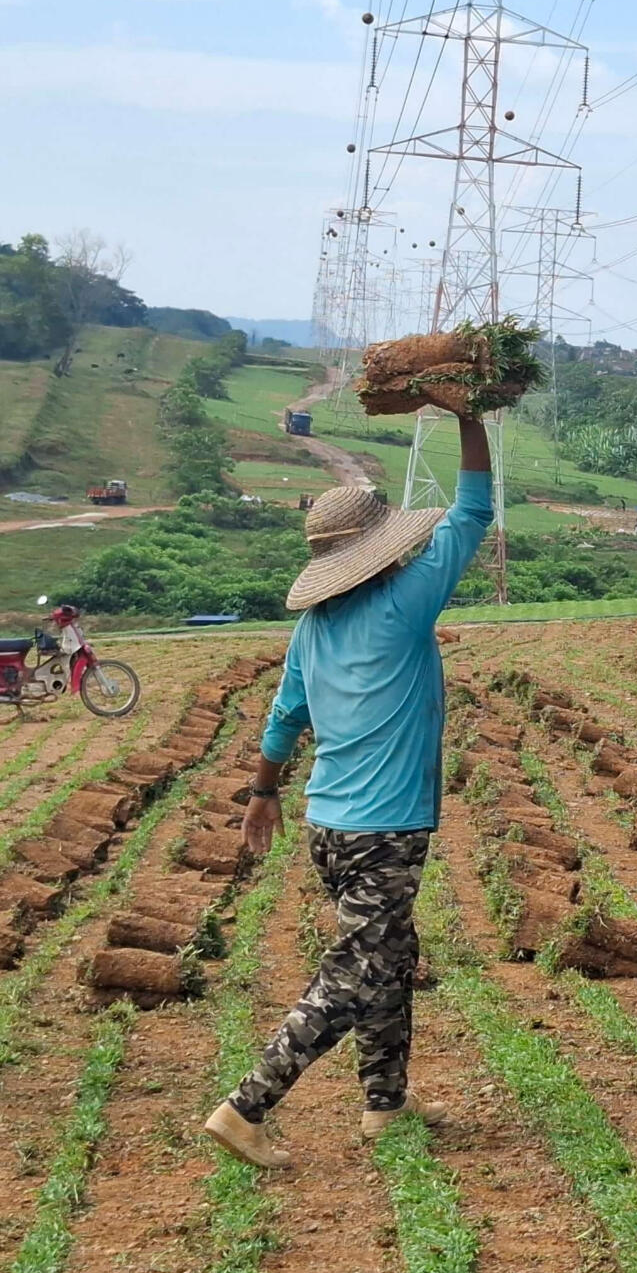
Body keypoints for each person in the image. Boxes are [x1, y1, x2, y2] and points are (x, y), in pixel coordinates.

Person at [201, 410, 494, 1170]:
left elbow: (283, 717)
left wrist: (263, 793)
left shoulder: (315, 627)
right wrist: (469, 417)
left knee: (390, 956)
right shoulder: (407, 600)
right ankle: (246, 1105)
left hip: (328, 824)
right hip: (386, 829)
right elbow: (473, 509)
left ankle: (384, 1104)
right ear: (383, 548)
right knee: (354, 971)